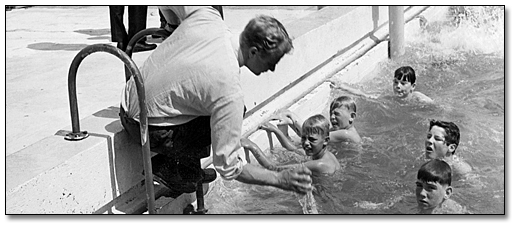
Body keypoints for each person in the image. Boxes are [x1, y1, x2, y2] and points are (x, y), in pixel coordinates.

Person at [120, 6, 312, 195]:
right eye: (272, 61)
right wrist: (279, 179)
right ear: (254, 51)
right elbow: (228, 167)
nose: (271, 69)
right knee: (231, 114)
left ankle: (187, 167)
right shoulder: (229, 91)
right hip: (145, 129)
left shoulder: (208, 16)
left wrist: (172, 25)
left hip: (128, 98)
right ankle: (172, 167)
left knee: (210, 105)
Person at [241, 114, 340, 175]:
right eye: (303, 138)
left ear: (326, 141)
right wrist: (275, 130)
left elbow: (274, 168)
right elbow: (293, 149)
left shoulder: (319, 164)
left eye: (311, 139)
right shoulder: (325, 155)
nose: (306, 143)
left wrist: (252, 146)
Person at [263, 96, 362, 149]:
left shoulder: (346, 134)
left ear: (352, 117)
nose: (332, 117)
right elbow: (307, 134)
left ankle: (282, 132)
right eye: (331, 113)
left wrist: (291, 115)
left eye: (337, 114)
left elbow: (312, 135)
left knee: (297, 149)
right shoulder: (338, 130)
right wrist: (291, 122)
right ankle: (284, 130)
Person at [331, 66, 434, 104]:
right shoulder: (389, 98)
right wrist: (341, 86)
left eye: (403, 83)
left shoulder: (419, 99)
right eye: (395, 82)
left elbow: (436, 107)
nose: (398, 86)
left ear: (413, 86)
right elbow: (363, 94)